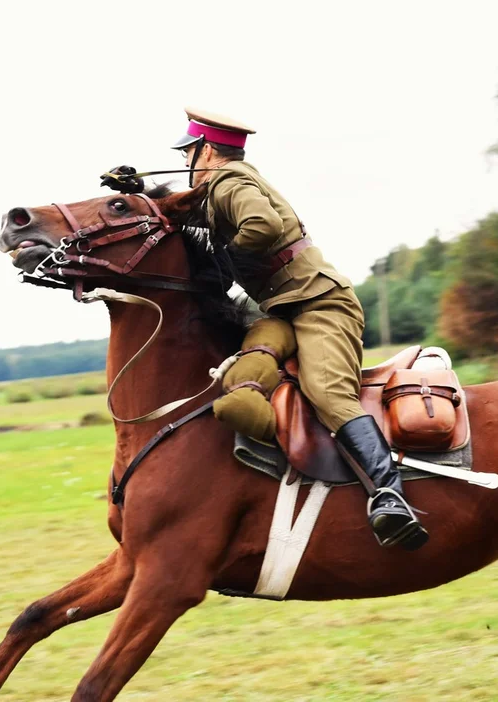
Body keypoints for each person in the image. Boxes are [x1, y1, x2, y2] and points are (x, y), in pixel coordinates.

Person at [170, 108, 428, 550]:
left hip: (319, 306)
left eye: (190, 154)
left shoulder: (229, 182)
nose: (187, 165)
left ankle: (391, 496)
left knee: (328, 394)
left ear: (208, 151)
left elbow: (263, 227)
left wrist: (222, 259)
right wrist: (139, 194)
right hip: (281, 311)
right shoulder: (218, 189)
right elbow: (189, 216)